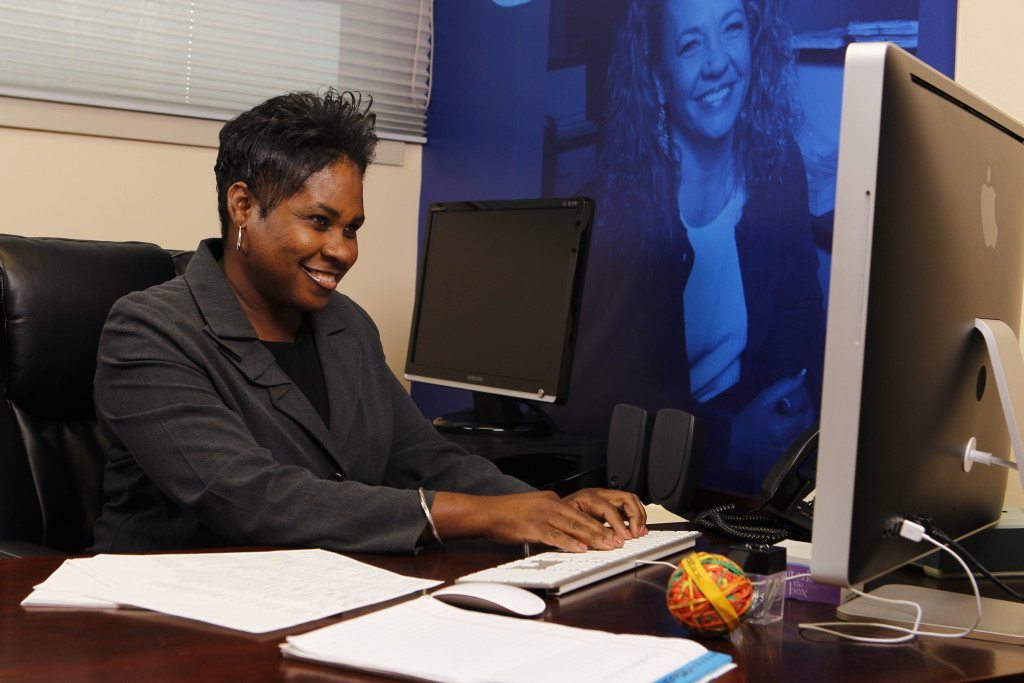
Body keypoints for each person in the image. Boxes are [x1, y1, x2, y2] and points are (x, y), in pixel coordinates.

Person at [89, 89, 645, 555]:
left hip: (317, 595)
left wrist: (544, 508)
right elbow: (249, 497)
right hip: (163, 615)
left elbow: (422, 457)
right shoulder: (150, 331)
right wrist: (481, 516)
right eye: (318, 221)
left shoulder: (345, 325)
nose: (342, 251)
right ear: (242, 207)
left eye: (351, 228)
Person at [556, 0, 824, 493]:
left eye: (732, 29)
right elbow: (594, 410)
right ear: (657, 78)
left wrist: (787, 406)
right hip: (656, 490)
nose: (719, 62)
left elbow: (799, 307)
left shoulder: (777, 163)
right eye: (690, 44)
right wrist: (728, 442)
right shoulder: (612, 209)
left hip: (755, 475)